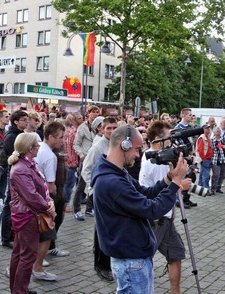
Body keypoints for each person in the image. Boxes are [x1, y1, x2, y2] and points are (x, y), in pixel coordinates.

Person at [92, 124, 192, 293]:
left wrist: (168, 178)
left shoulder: (117, 172)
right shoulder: (112, 181)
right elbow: (152, 210)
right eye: (137, 149)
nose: (139, 155)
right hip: (131, 261)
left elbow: (146, 193)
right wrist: (176, 184)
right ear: (124, 145)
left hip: (132, 259)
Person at [137, 122, 188, 294]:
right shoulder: (158, 161)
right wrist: (181, 185)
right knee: (143, 259)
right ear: (159, 139)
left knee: (176, 253)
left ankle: (175, 291)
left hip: (163, 216)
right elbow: (167, 188)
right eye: (169, 137)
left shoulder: (151, 155)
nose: (172, 141)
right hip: (157, 218)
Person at [6, 132, 54, 294]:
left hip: (25, 214)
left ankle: (18, 288)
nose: (39, 147)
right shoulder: (21, 169)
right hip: (27, 216)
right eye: (36, 145)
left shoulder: (27, 164)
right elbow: (31, 196)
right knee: (27, 256)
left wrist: (47, 202)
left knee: (20, 254)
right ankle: (19, 291)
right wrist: (48, 207)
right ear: (30, 148)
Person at [81, 117, 119, 281]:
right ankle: (101, 265)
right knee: (103, 230)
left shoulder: (116, 144)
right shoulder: (97, 147)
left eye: (114, 128)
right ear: (101, 129)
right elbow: (86, 170)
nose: (111, 131)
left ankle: (109, 261)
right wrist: (96, 189)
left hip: (115, 193)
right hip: (102, 195)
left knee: (111, 229)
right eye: (108, 128)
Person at [33, 121, 70, 281]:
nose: (63, 141)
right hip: (46, 198)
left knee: (36, 233)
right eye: (61, 138)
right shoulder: (49, 156)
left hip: (37, 197)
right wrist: (53, 201)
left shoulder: (41, 149)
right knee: (47, 232)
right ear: (50, 137)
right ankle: (37, 267)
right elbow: (51, 185)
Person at [0, 111, 31, 247]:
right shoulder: (12, 137)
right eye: (24, 120)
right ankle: (6, 237)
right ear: (16, 122)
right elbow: (12, 155)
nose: (26, 122)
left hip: (20, 173)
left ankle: (12, 234)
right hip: (14, 173)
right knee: (10, 203)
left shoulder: (19, 135)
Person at [71, 106, 100, 221]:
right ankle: (76, 210)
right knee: (81, 186)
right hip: (85, 160)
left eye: (97, 112)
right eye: (93, 112)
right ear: (88, 113)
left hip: (96, 160)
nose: (96, 114)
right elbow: (76, 144)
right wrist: (82, 156)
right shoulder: (83, 127)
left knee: (94, 185)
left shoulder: (99, 127)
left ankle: (89, 208)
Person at [195, 123, 216, 192]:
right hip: (205, 159)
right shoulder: (202, 138)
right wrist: (203, 159)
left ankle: (200, 188)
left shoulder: (206, 137)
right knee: (206, 175)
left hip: (207, 159)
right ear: (203, 129)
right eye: (207, 128)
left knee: (202, 174)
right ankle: (206, 190)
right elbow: (200, 150)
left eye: (209, 128)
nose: (208, 129)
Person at [210, 127, 225, 194]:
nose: (218, 132)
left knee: (222, 175)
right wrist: (221, 146)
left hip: (224, 159)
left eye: (219, 131)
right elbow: (214, 148)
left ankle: (218, 188)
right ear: (214, 133)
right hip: (215, 160)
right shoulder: (212, 140)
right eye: (217, 131)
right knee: (216, 175)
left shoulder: (224, 139)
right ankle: (213, 189)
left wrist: (224, 146)